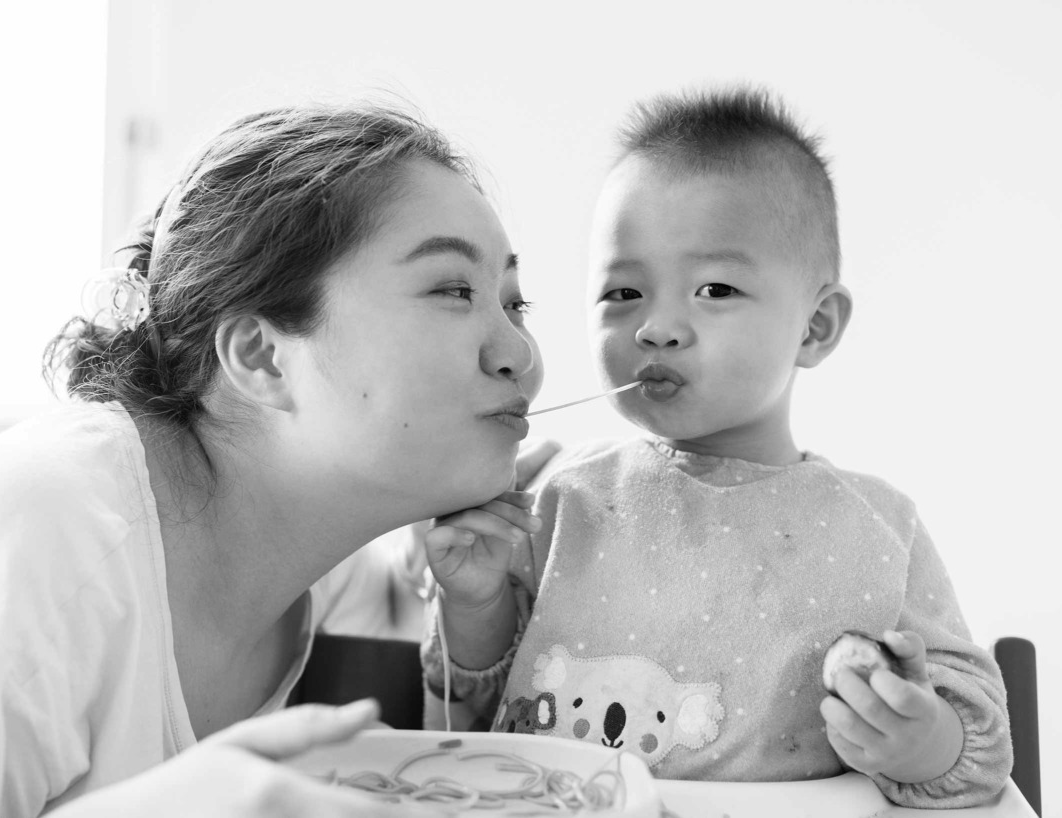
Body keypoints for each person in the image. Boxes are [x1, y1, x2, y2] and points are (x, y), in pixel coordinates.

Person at [0, 103, 542, 817]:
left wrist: (464, 587)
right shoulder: (26, 548)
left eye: (516, 304)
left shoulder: (298, 549)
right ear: (262, 356)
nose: (522, 355)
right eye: (453, 290)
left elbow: (400, 597)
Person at [420, 87, 1012, 808]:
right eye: (622, 294)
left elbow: (981, 752)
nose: (657, 327)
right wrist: (474, 605)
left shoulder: (880, 528)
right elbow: (468, 726)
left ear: (816, 327)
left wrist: (925, 742)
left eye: (716, 288)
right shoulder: (562, 496)